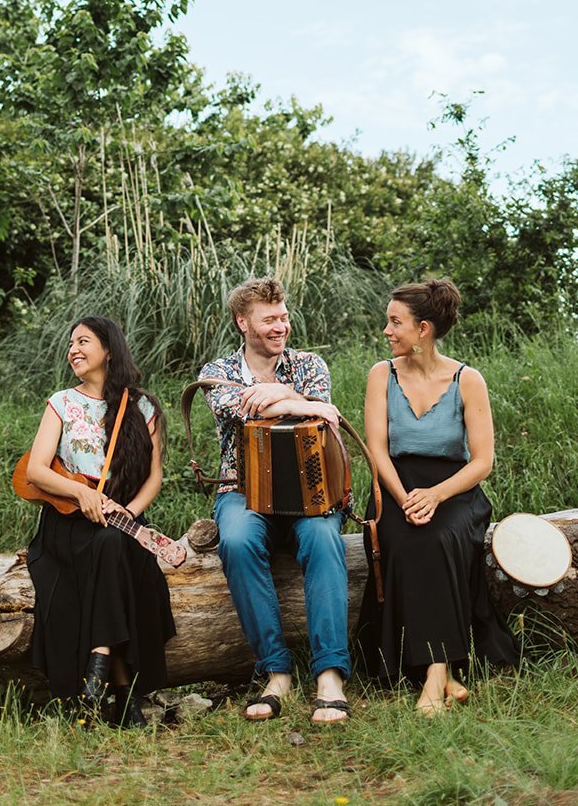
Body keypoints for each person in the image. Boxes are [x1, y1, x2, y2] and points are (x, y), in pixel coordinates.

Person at [355, 277, 519, 714]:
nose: (386, 331)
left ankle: (433, 671)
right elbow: (377, 450)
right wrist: (406, 497)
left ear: (423, 329)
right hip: (394, 484)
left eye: (395, 323)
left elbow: (482, 461)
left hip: (455, 488)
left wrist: (436, 496)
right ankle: (443, 671)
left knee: (439, 539)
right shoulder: (380, 375)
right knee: (409, 541)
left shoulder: (468, 379)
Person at [198, 277, 352, 725]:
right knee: (239, 541)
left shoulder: (309, 364)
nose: (280, 326)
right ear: (243, 322)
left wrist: (283, 393)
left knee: (324, 538)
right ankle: (276, 670)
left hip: (309, 488)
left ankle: (329, 674)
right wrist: (296, 402)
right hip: (242, 488)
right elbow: (243, 410)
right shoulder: (218, 371)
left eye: (283, 316)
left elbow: (325, 412)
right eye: (269, 319)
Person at [24, 315, 176, 726]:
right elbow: (35, 471)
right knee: (109, 547)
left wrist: (130, 511)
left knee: (114, 543)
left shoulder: (142, 407)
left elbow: (154, 477)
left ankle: (99, 664)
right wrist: (81, 493)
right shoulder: (62, 403)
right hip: (69, 523)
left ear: (109, 350)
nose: (73, 349)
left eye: (84, 341)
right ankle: (123, 691)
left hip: (122, 522)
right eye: (71, 343)